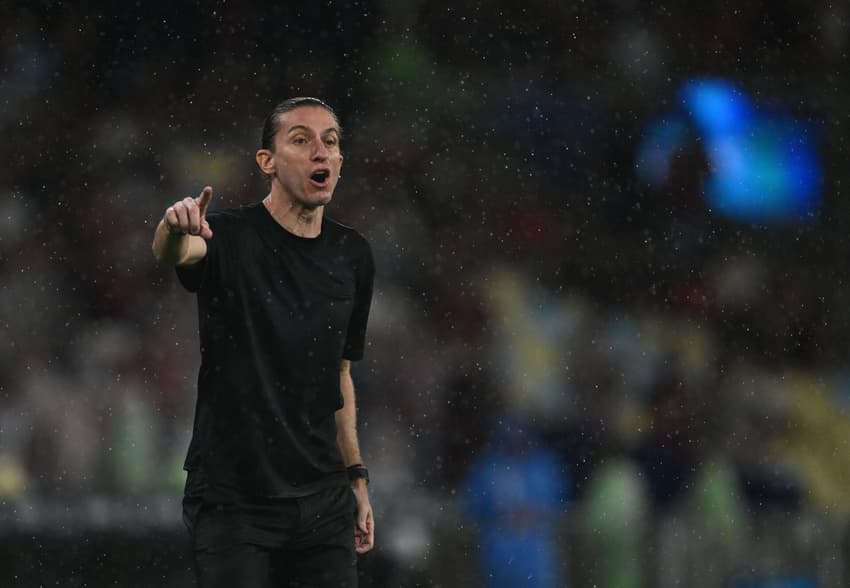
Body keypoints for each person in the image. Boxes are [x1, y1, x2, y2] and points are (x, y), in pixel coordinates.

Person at [151, 97, 375, 587]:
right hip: (235, 500)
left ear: (340, 162)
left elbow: (339, 372)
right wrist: (173, 226)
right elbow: (175, 251)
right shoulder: (228, 235)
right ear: (267, 162)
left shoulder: (353, 254)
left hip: (322, 501)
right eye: (301, 139)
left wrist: (356, 477)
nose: (320, 151)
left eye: (330, 142)